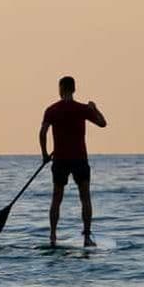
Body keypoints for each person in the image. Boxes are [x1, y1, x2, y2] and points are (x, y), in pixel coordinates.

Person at [39, 76, 107, 247]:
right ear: (74, 89)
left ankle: (53, 237)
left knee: (56, 198)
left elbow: (42, 133)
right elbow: (102, 123)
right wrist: (95, 109)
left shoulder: (51, 110)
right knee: (85, 198)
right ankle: (86, 238)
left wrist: (45, 154)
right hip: (79, 159)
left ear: (61, 89)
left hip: (60, 159)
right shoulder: (83, 109)